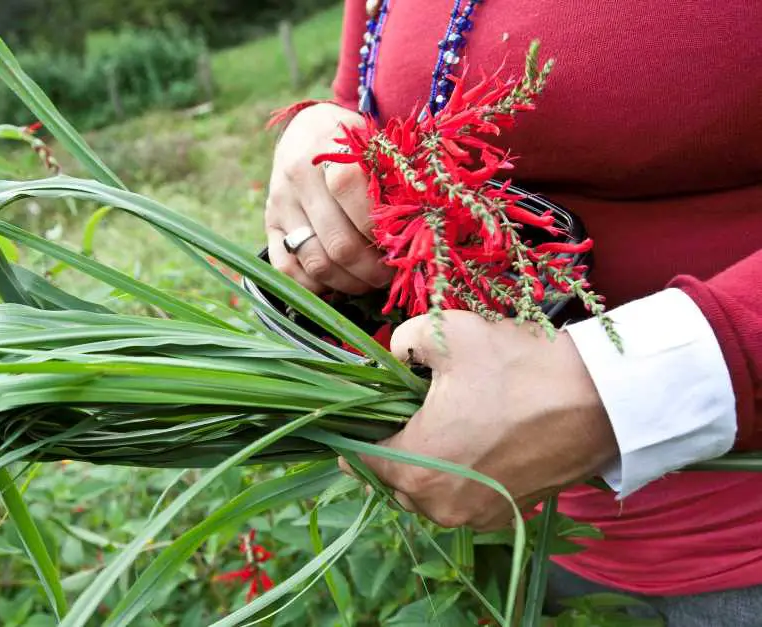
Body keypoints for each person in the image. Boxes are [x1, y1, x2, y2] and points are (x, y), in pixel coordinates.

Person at [264, 1, 762, 624]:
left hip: (740, 557)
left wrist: (609, 391)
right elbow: (367, 94)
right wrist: (322, 134)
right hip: (524, 536)